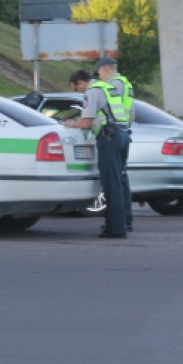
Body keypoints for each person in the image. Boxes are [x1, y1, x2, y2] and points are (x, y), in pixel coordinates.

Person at [64, 56, 134, 238]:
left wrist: (70, 124)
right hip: (122, 134)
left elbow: (86, 122)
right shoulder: (109, 88)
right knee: (117, 183)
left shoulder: (93, 91)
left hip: (109, 137)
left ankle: (116, 229)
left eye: (76, 88)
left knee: (111, 185)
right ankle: (120, 224)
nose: (78, 92)